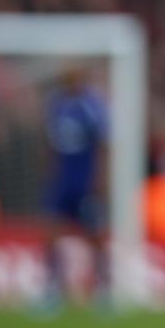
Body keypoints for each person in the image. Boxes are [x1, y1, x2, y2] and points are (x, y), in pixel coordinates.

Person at [41, 65, 108, 308]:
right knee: (51, 234)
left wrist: (99, 181)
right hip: (62, 183)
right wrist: (51, 175)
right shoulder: (56, 106)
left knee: (95, 237)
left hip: (84, 181)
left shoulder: (91, 107)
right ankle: (52, 289)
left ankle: (103, 290)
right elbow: (50, 147)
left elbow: (102, 147)